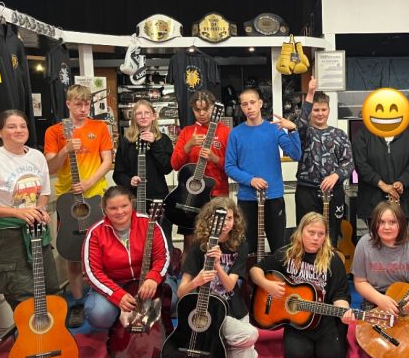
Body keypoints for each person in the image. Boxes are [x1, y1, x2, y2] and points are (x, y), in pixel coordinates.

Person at [0, 109, 58, 309]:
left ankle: (51, 330)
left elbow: (44, 193)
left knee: (50, 289)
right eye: (11, 126)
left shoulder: (37, 156)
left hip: (35, 231)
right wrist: (17, 212)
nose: (19, 130)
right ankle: (27, 331)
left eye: (23, 126)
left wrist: (40, 209)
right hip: (5, 236)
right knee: (23, 297)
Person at [44, 83, 113, 327]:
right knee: (72, 252)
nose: (83, 109)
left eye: (87, 104)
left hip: (96, 196)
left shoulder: (99, 127)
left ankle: (104, 295)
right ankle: (77, 303)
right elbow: (50, 167)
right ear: (68, 104)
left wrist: (89, 182)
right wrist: (65, 150)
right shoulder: (54, 131)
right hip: (68, 200)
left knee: (101, 251)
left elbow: (107, 160)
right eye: (78, 104)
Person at [250, 212, 354, 358]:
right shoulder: (287, 254)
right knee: (296, 357)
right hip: (297, 322)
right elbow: (255, 270)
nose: (315, 238)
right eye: (311, 232)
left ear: (325, 237)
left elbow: (340, 293)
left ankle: (334, 337)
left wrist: (344, 312)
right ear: (301, 232)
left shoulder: (333, 260)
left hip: (325, 318)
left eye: (320, 234)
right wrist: (267, 284)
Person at [352, 201, 409, 358]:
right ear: (374, 224)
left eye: (392, 222)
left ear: (401, 223)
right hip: (378, 299)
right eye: (381, 222)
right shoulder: (364, 244)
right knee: (372, 348)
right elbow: (360, 282)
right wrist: (380, 300)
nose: (386, 227)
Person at [178, 197, 258, 358]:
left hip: (234, 309)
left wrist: (217, 265)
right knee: (243, 339)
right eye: (220, 218)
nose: (225, 223)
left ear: (235, 220)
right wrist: (197, 281)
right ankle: (227, 343)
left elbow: (229, 286)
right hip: (209, 312)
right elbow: (181, 292)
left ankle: (225, 344)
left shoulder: (241, 245)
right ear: (210, 220)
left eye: (229, 218)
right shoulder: (198, 246)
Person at [225, 87, 302, 258]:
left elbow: (296, 154)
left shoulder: (274, 129)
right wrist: (251, 180)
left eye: (252, 102)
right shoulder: (236, 134)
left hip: (273, 196)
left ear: (260, 103)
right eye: (245, 104)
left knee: (278, 247)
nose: (249, 107)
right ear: (241, 107)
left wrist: (292, 130)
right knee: (247, 248)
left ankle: (275, 275)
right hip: (247, 198)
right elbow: (229, 166)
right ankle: (249, 276)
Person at [82, 186, 170, 329]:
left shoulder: (149, 223)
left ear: (132, 204)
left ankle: (133, 312)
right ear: (104, 209)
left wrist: (153, 278)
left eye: (124, 206)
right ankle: (120, 316)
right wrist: (117, 295)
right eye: (113, 208)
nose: (120, 212)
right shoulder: (95, 233)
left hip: (146, 282)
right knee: (99, 315)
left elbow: (162, 257)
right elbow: (92, 272)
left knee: (172, 302)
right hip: (115, 284)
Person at [294, 77, 354, 246]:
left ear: (328, 110)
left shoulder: (339, 134)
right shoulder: (304, 132)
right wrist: (310, 94)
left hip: (334, 192)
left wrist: (336, 175)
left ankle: (329, 262)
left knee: (331, 235)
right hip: (307, 192)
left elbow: (349, 162)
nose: (320, 113)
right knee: (307, 234)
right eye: (316, 110)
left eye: (323, 109)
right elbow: (301, 123)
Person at [170, 90, 230, 253]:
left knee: (219, 242)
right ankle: (188, 271)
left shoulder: (226, 132)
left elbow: (233, 168)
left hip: (218, 194)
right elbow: (175, 164)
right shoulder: (187, 132)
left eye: (206, 109)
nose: (202, 113)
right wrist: (188, 145)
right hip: (191, 195)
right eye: (197, 110)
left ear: (214, 108)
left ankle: (217, 270)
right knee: (191, 243)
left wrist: (215, 158)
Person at [113, 98, 173, 233]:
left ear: (153, 116)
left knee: (161, 237)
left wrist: (155, 144)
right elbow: (118, 174)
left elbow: (167, 168)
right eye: (139, 113)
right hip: (133, 199)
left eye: (147, 113)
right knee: (134, 236)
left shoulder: (163, 140)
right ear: (134, 117)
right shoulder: (125, 141)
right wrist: (129, 181)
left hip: (158, 198)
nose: (143, 116)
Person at [353, 120, 409, 225]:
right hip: (372, 201)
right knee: (377, 235)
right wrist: (382, 185)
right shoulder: (363, 135)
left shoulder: (406, 136)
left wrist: (402, 182)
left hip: (401, 202)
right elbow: (360, 165)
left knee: (400, 235)